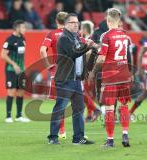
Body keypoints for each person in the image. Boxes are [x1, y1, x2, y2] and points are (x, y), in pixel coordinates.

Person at [47, 13, 95, 145]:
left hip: (76, 79)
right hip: (65, 79)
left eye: (77, 22)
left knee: (79, 109)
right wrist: (87, 47)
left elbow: (82, 55)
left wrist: (93, 49)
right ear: (66, 25)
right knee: (60, 108)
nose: (76, 24)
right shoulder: (64, 38)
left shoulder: (77, 38)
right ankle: (53, 137)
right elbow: (73, 53)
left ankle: (78, 138)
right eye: (73, 22)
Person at [89, 8, 133, 147]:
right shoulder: (125, 35)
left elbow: (101, 58)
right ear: (118, 20)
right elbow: (127, 55)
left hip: (111, 77)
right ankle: (125, 135)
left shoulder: (106, 36)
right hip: (124, 75)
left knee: (109, 108)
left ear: (108, 20)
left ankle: (110, 140)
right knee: (124, 106)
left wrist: (93, 71)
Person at [40, 11, 68, 138]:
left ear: (56, 21)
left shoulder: (52, 34)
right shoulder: (73, 33)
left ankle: (61, 131)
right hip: (71, 71)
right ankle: (80, 133)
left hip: (58, 71)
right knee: (77, 101)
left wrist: (47, 65)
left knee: (59, 102)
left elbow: (42, 50)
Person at [1, 20, 30, 123]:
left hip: (21, 70)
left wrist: (23, 67)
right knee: (11, 91)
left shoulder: (23, 39)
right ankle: (8, 116)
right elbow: (3, 55)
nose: (25, 29)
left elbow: (21, 55)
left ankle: (19, 116)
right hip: (11, 70)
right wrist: (14, 64)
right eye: (23, 27)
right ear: (17, 28)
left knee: (21, 91)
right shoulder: (9, 40)